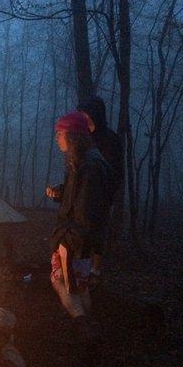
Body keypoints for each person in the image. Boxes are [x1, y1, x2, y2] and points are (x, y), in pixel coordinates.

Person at [48, 112, 111, 341]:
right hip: (80, 239)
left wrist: (67, 243)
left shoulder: (91, 166)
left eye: (60, 133)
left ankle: (84, 329)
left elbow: (87, 212)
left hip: (76, 240)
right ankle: (88, 325)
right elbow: (80, 198)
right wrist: (61, 193)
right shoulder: (83, 161)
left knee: (61, 281)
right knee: (80, 286)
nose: (57, 138)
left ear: (73, 136)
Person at [77, 96, 123, 280]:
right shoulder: (85, 139)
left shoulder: (110, 140)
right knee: (83, 233)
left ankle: (95, 272)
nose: (83, 117)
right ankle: (81, 272)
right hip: (83, 196)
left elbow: (115, 171)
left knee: (98, 233)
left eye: (85, 113)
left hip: (101, 196)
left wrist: (107, 195)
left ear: (95, 114)